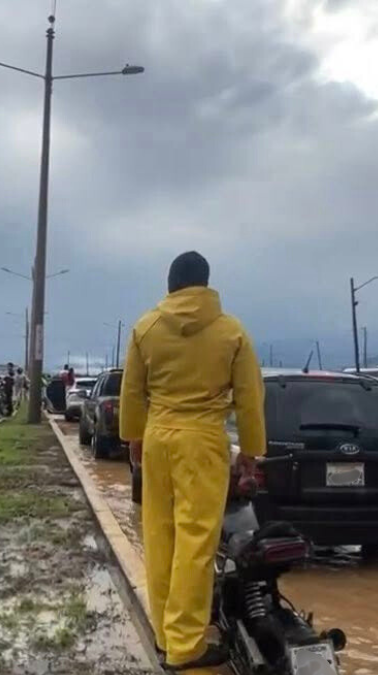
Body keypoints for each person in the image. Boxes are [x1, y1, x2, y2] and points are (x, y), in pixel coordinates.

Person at [119, 251, 265, 672]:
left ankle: (166, 636)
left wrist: (134, 437)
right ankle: (186, 646)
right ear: (206, 283)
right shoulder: (231, 332)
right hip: (202, 441)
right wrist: (251, 451)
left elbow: (132, 391)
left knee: (159, 537)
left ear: (170, 285)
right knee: (195, 543)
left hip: (157, 438)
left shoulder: (146, 328)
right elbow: (250, 398)